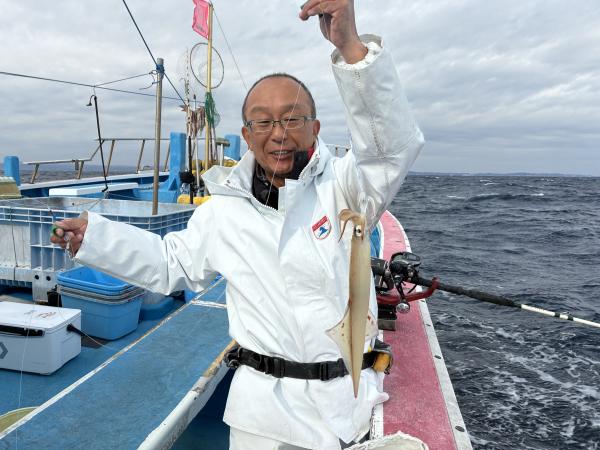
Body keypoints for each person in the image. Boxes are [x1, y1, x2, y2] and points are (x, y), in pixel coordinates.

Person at [51, 1, 424, 448]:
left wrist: (352, 49)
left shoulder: (349, 188)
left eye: (292, 119)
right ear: (247, 136)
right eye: (263, 122)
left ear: (316, 129)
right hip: (260, 418)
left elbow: (389, 151)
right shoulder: (222, 211)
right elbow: (171, 263)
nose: (278, 133)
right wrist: (94, 237)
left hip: (346, 406)